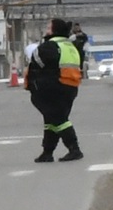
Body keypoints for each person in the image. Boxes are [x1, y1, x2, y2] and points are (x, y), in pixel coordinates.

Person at [27, 16, 86, 162]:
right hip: (70, 87)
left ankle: (74, 149)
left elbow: (36, 61)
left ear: (54, 31)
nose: (46, 31)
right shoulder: (70, 46)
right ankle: (47, 152)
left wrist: (34, 85)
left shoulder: (50, 46)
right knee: (51, 120)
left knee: (58, 119)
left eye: (49, 28)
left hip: (52, 88)